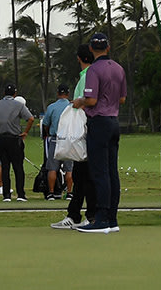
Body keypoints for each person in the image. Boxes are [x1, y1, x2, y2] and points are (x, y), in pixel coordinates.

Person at [74, 31, 127, 233]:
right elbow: (122, 99)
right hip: (114, 121)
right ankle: (112, 218)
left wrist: (79, 102)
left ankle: (102, 218)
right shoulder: (119, 69)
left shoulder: (94, 70)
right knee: (112, 171)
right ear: (108, 47)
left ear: (90, 49)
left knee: (99, 172)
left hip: (99, 122)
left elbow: (92, 100)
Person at [53, 45, 97, 230]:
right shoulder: (89, 75)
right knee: (80, 176)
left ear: (79, 58)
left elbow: (87, 103)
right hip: (86, 132)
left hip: (85, 133)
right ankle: (75, 214)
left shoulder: (88, 76)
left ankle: (89, 216)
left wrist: (77, 103)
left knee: (85, 176)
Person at [0, 84, 34, 201]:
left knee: (5, 167)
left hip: (1, 139)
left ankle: (6, 195)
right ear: (14, 94)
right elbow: (30, 119)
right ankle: (20, 194)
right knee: (18, 167)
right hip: (15, 139)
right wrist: (25, 132)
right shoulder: (19, 105)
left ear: (4, 93)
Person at [39, 84, 72, 200]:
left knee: (52, 168)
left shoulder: (51, 107)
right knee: (69, 169)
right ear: (68, 94)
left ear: (58, 93)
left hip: (55, 139)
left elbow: (46, 124)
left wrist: (48, 133)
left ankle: (51, 193)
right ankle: (69, 192)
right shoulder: (71, 106)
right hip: (68, 140)